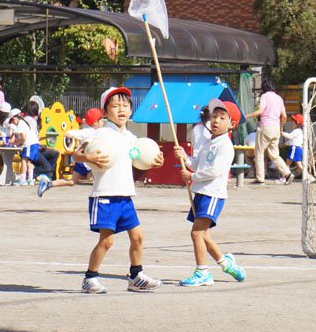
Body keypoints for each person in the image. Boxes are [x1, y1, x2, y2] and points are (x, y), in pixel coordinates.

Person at [72, 87, 164, 294]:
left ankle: (136, 276)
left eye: (125, 105)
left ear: (131, 111)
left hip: (125, 196)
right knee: (107, 241)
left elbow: (140, 160)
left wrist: (155, 162)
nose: (121, 109)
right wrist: (89, 158)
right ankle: (90, 279)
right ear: (105, 112)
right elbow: (76, 154)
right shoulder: (100, 133)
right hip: (105, 195)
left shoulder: (132, 137)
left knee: (138, 237)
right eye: (115, 106)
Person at [173, 98, 247, 287]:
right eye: (214, 116)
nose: (216, 120)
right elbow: (197, 163)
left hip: (212, 194)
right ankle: (226, 263)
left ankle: (202, 272)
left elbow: (214, 171)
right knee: (204, 235)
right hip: (201, 193)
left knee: (196, 233)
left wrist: (191, 177)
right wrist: (185, 157)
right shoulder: (208, 142)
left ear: (232, 125)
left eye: (222, 118)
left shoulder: (225, 146)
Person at [38, 108, 105, 197]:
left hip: (81, 162)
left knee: (72, 181)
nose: (103, 121)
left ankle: (49, 184)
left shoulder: (88, 131)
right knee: (100, 176)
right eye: (101, 119)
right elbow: (69, 133)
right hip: (88, 162)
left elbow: (69, 133)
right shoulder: (89, 132)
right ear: (95, 122)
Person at [244, 79, 293, 185]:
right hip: (276, 128)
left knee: (259, 152)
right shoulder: (279, 98)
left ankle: (260, 178)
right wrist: (281, 127)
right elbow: (284, 116)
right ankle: (287, 173)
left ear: (264, 88)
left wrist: (247, 116)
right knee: (274, 154)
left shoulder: (265, 96)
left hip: (265, 127)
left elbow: (261, 111)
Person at [16, 100, 41, 186]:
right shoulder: (33, 121)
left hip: (29, 143)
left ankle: (22, 178)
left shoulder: (23, 120)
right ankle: (30, 179)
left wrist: (16, 142)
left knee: (24, 159)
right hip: (35, 143)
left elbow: (23, 136)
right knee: (29, 161)